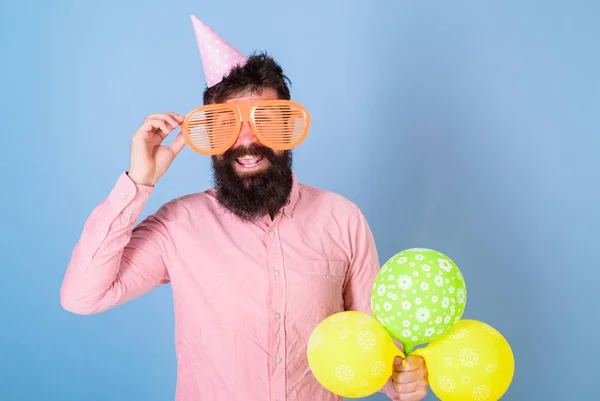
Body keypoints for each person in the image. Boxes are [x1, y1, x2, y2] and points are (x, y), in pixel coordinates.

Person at [60, 15, 428, 401]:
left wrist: (402, 377)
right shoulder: (180, 224)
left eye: (267, 121)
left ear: (288, 132)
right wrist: (139, 183)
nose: (247, 140)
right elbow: (83, 296)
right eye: (227, 125)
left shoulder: (341, 218)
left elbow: (373, 344)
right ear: (211, 137)